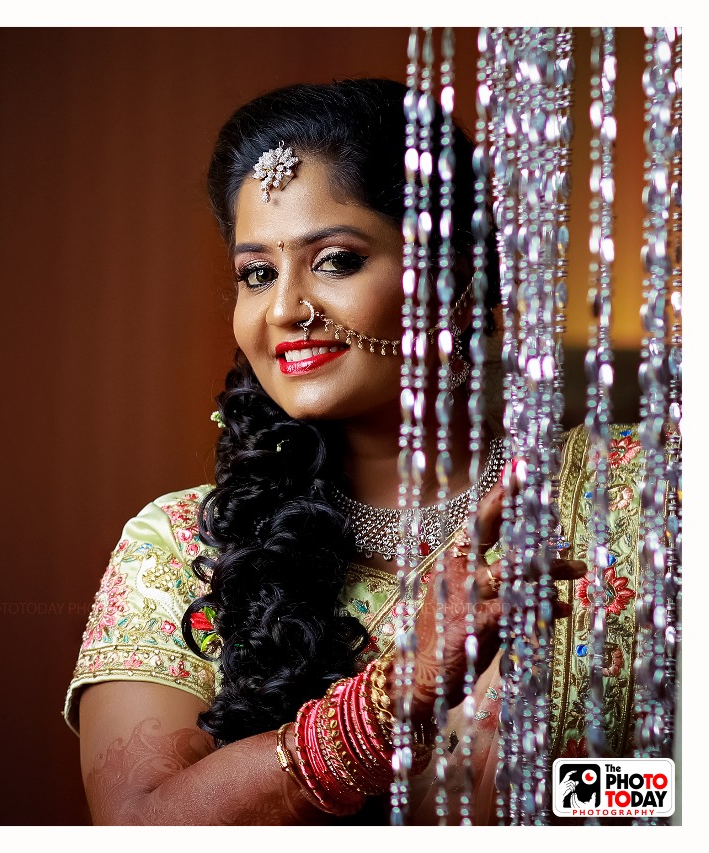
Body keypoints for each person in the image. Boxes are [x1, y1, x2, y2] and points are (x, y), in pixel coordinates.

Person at [62, 79, 656, 825]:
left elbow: (676, 791)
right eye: (257, 273)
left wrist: (568, 797)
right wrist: (391, 700)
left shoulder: (639, 492)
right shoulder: (181, 546)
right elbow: (138, 826)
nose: (284, 310)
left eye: (335, 260)